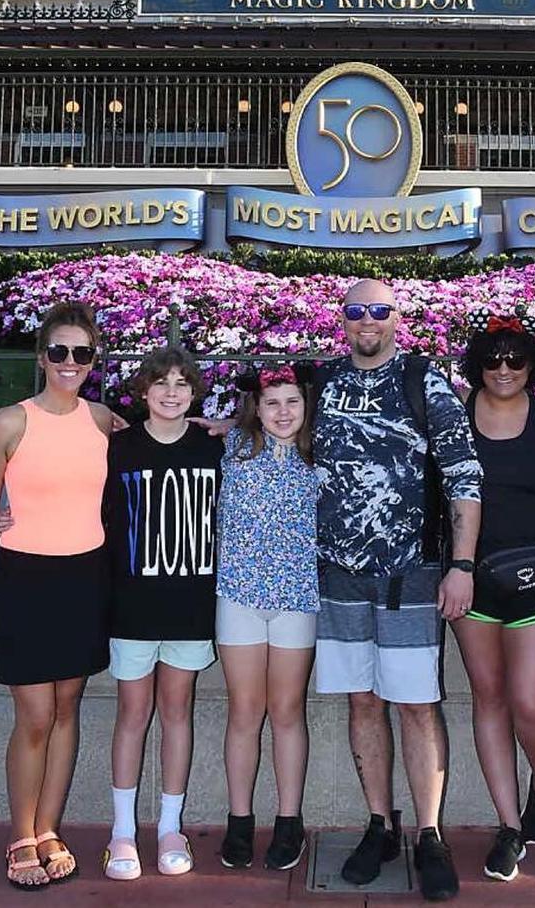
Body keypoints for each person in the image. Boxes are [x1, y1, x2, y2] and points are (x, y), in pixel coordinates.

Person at [314, 279, 483, 903]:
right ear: (343, 319)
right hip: (337, 574)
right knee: (362, 701)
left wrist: (460, 564)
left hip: (410, 573)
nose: (367, 321)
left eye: (379, 311)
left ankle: (429, 833)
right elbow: (278, 437)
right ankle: (380, 824)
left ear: (396, 319)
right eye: (357, 311)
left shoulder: (424, 381)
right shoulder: (323, 383)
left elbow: (464, 473)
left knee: (415, 703)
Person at [0, 301, 113, 890]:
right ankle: (20, 834)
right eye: (59, 352)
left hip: (85, 579)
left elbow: (165, 429)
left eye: (81, 353)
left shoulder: (102, 420)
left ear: (93, 359)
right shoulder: (10, 421)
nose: (70, 363)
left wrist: (225, 426)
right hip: (23, 580)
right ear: (42, 356)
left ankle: (49, 827)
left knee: (68, 709)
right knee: (34, 715)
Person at [452, 308, 535, 883]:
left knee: (531, 700)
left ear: (532, 364)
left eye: (516, 359)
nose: (503, 369)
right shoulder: (455, 416)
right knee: (489, 697)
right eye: (492, 359)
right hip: (470, 573)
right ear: (477, 363)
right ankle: (508, 824)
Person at [101, 347, 224, 881]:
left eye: (181, 383)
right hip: (131, 606)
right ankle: (122, 832)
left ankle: (170, 826)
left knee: (178, 712)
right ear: (143, 392)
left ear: (194, 392)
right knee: (133, 713)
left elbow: (271, 432)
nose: (171, 392)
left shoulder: (213, 447)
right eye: (161, 383)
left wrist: (224, 424)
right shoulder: (118, 449)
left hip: (190, 605)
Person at [216, 364, 320, 872]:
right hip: (238, 595)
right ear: (256, 406)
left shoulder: (318, 455)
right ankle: (239, 820)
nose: (283, 412)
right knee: (244, 710)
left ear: (306, 406)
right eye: (272, 402)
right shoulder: (232, 447)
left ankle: (288, 819)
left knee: (286, 710)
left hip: (296, 598)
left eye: (292, 402)